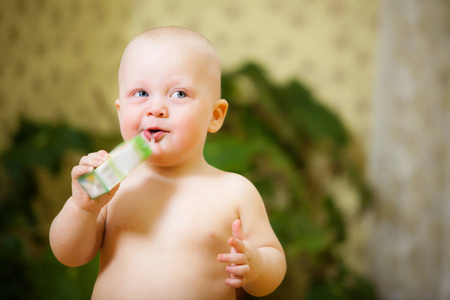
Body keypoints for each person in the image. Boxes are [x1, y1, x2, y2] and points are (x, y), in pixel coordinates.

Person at [49, 26, 286, 300]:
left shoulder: (234, 191)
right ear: (120, 111)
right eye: (140, 93)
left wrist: (257, 267)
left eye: (179, 94)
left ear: (215, 115)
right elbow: (70, 256)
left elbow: (274, 260)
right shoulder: (111, 185)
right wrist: (82, 209)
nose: (156, 108)